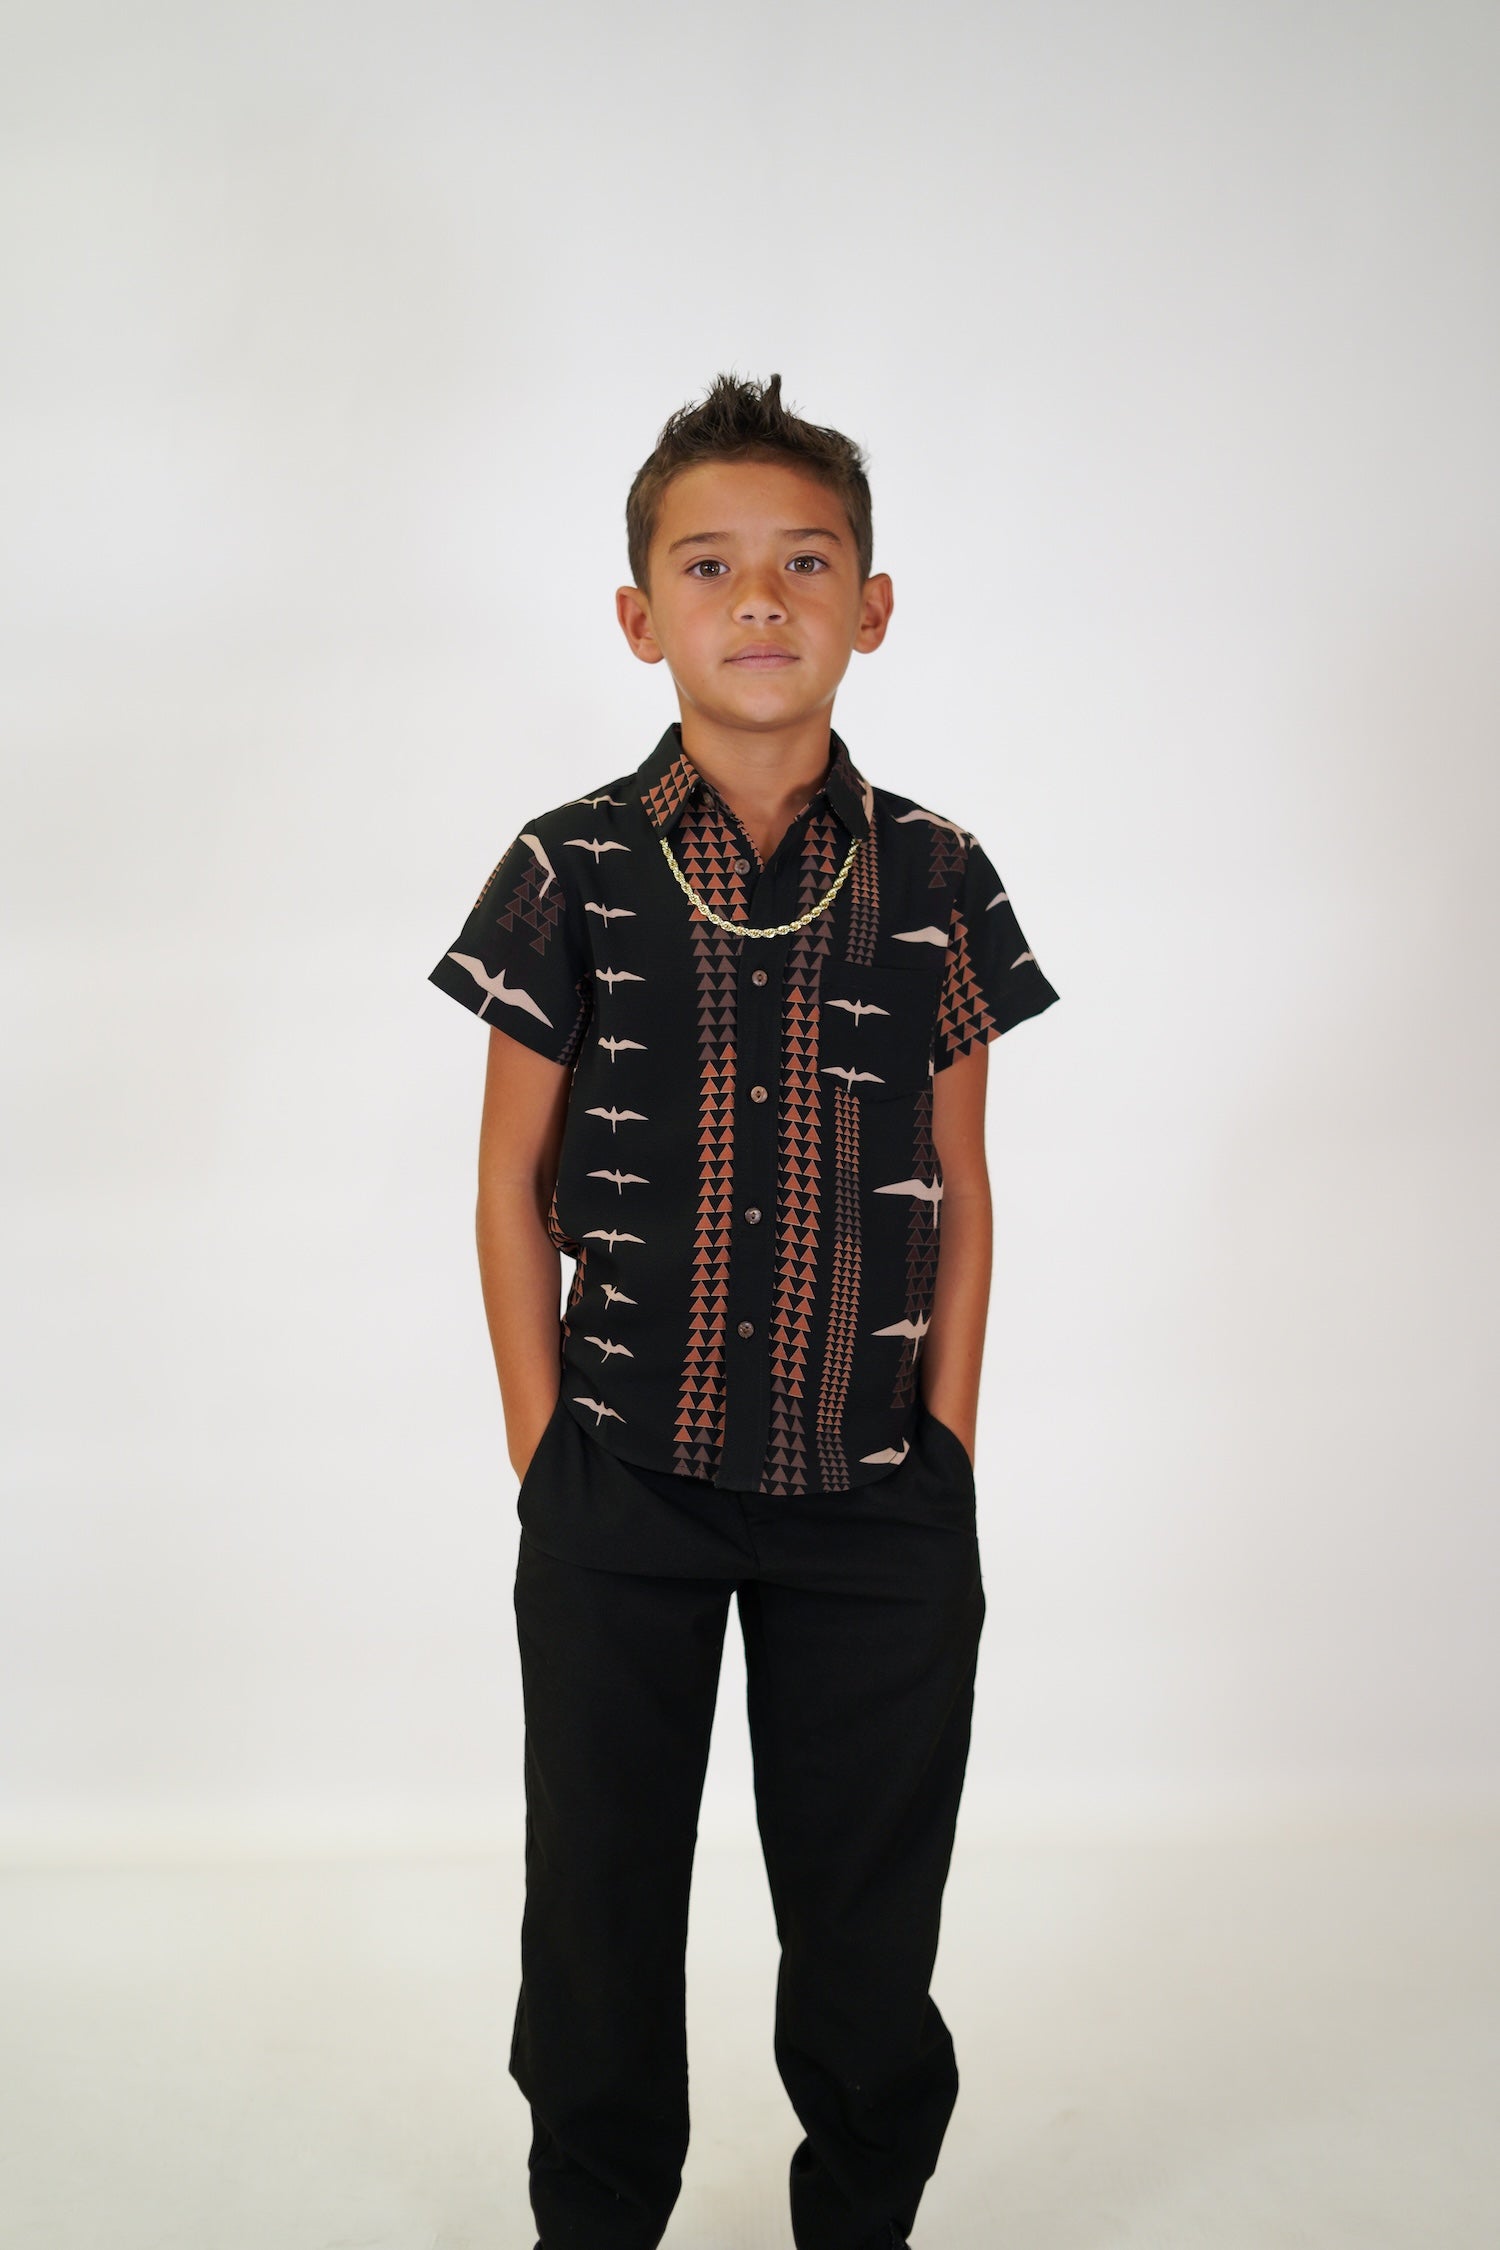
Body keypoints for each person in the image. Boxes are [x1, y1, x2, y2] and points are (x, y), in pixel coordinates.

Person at [428, 371, 1060, 2250]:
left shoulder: (939, 875)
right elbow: (506, 1184)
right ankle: (595, 2216)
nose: (761, 597)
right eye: (710, 565)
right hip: (622, 1474)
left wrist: (945, 1448)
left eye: (807, 560)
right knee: (599, 1907)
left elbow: (963, 1185)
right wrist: (547, 1457)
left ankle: (859, 2215)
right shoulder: (568, 865)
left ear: (875, 604)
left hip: (879, 1494)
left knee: (867, 1922)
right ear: (642, 617)